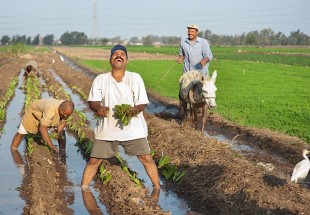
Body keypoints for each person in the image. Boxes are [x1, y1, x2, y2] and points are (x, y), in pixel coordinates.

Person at [81, 45, 161, 190]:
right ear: (110, 59)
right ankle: (83, 188)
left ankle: (157, 187)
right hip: (107, 128)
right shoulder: (101, 79)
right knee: (94, 160)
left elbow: (142, 103)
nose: (118, 56)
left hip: (133, 129)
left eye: (122, 54)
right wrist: (98, 108)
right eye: (115, 54)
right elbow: (93, 101)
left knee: (146, 158)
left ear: (127, 60)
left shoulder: (135, 78)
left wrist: (132, 111)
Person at [177, 24, 213, 116]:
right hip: (188, 74)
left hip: (201, 74)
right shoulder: (183, 42)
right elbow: (181, 54)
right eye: (189, 31)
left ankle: (202, 111)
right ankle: (184, 112)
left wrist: (204, 61)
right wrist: (180, 58)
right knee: (183, 92)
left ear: (197, 32)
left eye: (192, 31)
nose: (190, 33)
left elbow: (209, 56)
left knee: (204, 93)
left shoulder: (203, 42)